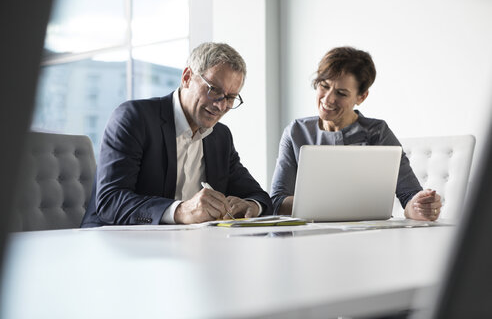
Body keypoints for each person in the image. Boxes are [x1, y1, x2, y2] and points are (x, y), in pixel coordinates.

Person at [81, 42, 272, 227]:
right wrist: (180, 211)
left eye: (230, 98)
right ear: (187, 77)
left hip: (184, 247)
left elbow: (258, 196)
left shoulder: (220, 136)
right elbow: (110, 202)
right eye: (214, 90)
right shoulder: (134, 118)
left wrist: (251, 206)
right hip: (115, 244)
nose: (221, 105)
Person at [270, 46, 441, 221]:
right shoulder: (296, 132)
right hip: (309, 236)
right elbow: (277, 202)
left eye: (341, 93)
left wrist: (420, 206)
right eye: (324, 86)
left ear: (361, 97)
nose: (328, 99)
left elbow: (409, 196)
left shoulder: (378, 132)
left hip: (368, 236)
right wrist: (332, 205)